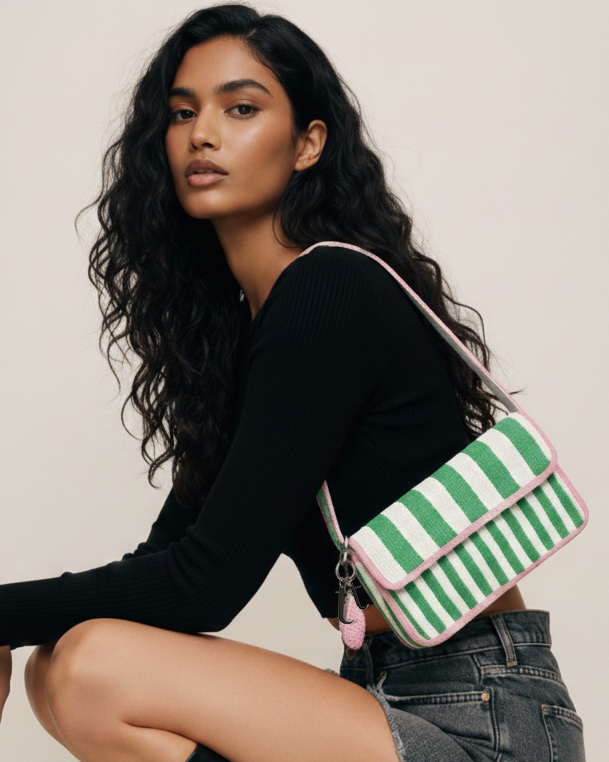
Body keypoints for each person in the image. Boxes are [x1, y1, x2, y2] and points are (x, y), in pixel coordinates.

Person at [0, 4, 586, 761]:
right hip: (379, 691)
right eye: (182, 113)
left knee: (89, 666)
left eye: (240, 108)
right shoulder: (246, 340)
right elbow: (166, 563)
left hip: (483, 710)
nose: (202, 134)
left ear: (309, 143)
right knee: (60, 664)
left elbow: (206, 585)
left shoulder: (326, 292)